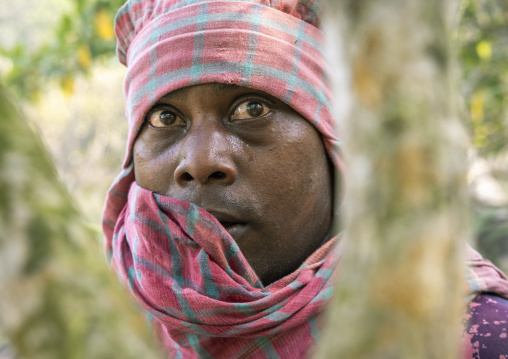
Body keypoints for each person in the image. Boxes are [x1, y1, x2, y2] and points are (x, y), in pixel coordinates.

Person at [102, 0, 508, 357]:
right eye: (165, 118)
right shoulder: (94, 330)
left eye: (251, 109)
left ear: (335, 146)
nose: (200, 162)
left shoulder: (468, 337)